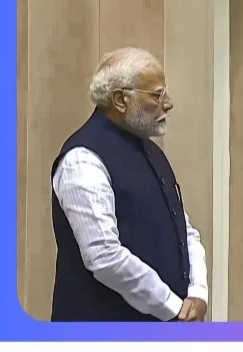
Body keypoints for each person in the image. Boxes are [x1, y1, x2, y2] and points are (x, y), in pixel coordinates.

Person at [50, 47, 208, 322]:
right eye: (157, 95)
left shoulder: (151, 152)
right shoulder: (83, 159)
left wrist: (198, 292)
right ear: (121, 99)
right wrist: (173, 307)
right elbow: (104, 256)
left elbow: (184, 231)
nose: (168, 103)